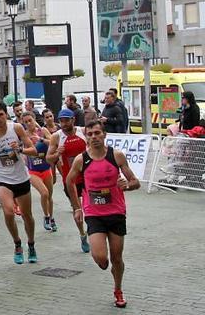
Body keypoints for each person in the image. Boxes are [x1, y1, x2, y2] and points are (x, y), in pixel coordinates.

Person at [65, 120, 141, 309]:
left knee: (117, 258)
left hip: (116, 212)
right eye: (90, 134)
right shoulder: (81, 160)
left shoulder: (116, 156)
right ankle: (103, 263)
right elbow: (69, 181)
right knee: (101, 258)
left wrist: (128, 185)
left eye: (97, 133)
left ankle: (118, 290)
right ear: (86, 137)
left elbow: (135, 181)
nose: (94, 137)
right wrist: (77, 207)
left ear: (104, 134)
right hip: (94, 214)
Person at [0, 101, 39, 264]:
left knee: (27, 215)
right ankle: (17, 244)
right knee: (9, 212)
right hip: (1, 178)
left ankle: (31, 244)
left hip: (20, 177)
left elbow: (33, 150)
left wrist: (19, 149)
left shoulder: (16, 129)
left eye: (1, 115)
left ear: (6, 115)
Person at [45, 108, 90, 252]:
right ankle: (82, 234)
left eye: (66, 120)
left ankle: (94, 230)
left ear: (73, 120)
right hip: (70, 180)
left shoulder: (83, 132)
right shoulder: (56, 137)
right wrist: (58, 152)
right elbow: (48, 159)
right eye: (61, 121)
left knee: (90, 206)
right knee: (77, 209)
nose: (64, 123)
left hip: (88, 176)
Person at [21, 112, 55, 232]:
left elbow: (53, 143)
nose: (28, 123)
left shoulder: (43, 131)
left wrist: (40, 139)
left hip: (46, 168)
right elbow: (21, 150)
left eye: (30, 120)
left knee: (49, 196)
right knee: (44, 193)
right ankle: (46, 217)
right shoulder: (24, 135)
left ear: (34, 119)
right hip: (33, 171)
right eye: (25, 122)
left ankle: (51, 218)